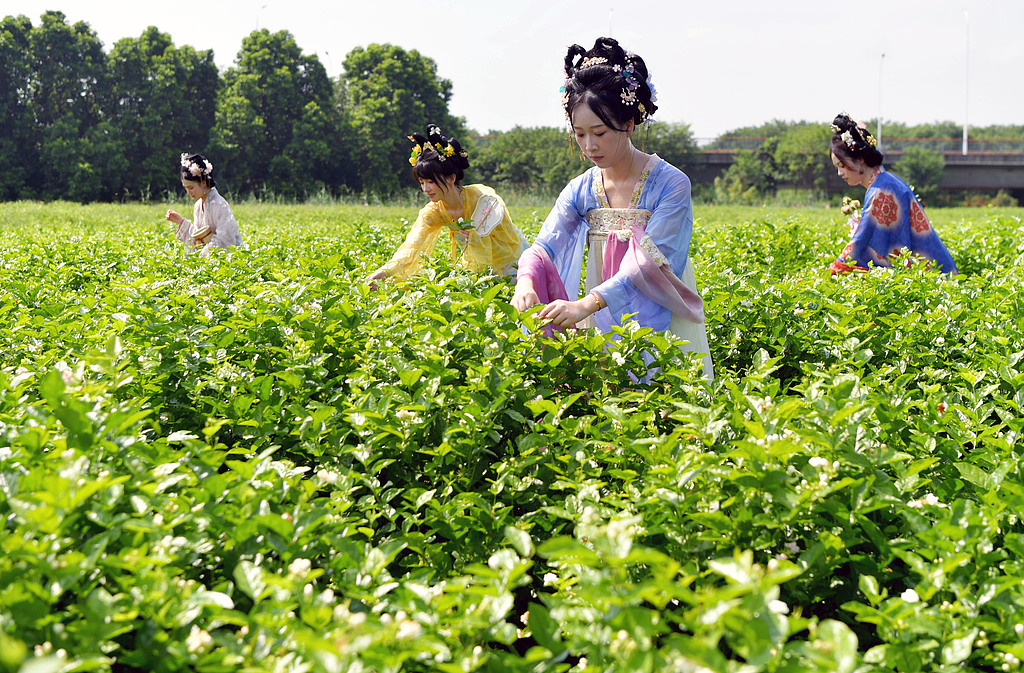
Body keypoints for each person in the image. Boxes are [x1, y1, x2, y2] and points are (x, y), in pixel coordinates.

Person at [511, 37, 713, 381]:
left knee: (668, 403)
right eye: (579, 134)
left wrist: (586, 304)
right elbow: (545, 245)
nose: (589, 146)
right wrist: (525, 281)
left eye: (600, 132)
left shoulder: (671, 184)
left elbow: (649, 264)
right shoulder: (582, 189)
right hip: (599, 312)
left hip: (659, 309)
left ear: (629, 124)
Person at [366, 125, 529, 286]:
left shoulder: (481, 198)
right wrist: (385, 271)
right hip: (479, 267)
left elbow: (506, 234)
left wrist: (478, 234)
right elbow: (412, 245)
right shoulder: (434, 211)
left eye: (430, 182)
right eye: (422, 182)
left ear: (451, 178)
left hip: (511, 259)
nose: (425, 188)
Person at [828, 113, 957, 275]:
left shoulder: (881, 191)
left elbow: (862, 243)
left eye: (842, 165)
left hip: (932, 278)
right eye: (837, 168)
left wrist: (833, 271)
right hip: (935, 273)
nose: (840, 173)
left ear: (859, 158)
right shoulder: (885, 182)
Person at [166, 153, 244, 257]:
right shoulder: (198, 206)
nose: (189, 193)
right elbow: (198, 237)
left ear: (203, 183)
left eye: (191, 188)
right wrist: (181, 221)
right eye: (186, 188)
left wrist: (202, 255)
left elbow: (226, 242)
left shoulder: (219, 205)